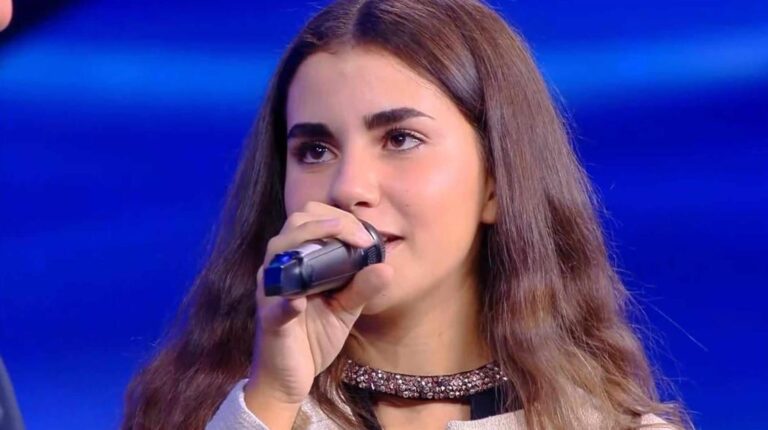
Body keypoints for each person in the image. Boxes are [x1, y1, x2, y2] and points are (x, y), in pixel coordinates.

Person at [121, 0, 689, 429]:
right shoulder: (214, 410)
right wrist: (272, 395)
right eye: (314, 151)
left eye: (399, 139)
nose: (349, 187)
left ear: (496, 182)